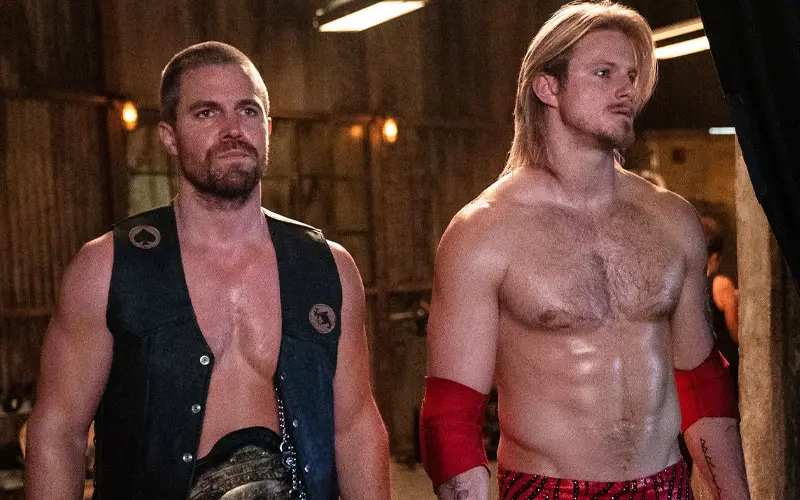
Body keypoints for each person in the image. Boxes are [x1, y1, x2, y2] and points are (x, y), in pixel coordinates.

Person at [24, 41, 390, 500]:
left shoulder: (328, 267)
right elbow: (58, 433)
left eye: (248, 111)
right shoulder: (107, 268)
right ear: (169, 136)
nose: (233, 129)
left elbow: (355, 428)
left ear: (267, 129)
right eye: (206, 113)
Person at [419, 2, 748, 499]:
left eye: (632, 76)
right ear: (548, 87)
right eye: (603, 73)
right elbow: (450, 420)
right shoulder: (484, 232)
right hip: (548, 489)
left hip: (665, 487)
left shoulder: (671, 219)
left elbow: (702, 385)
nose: (627, 91)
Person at [702, 216, 740, 392]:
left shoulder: (689, 285)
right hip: (725, 365)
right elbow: (735, 332)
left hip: (702, 365)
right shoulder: (722, 283)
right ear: (715, 257)